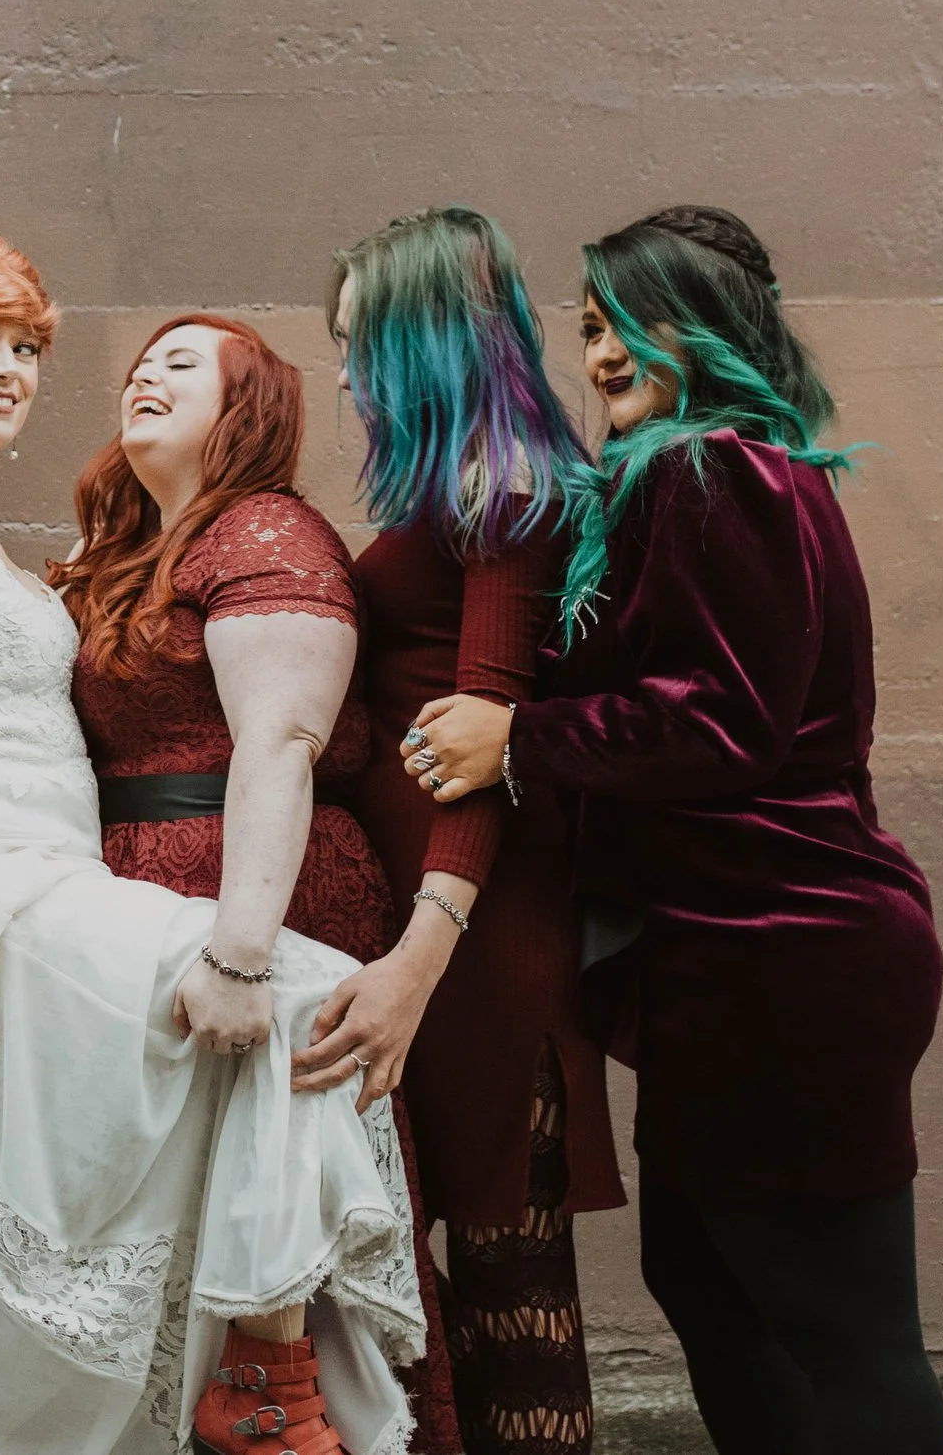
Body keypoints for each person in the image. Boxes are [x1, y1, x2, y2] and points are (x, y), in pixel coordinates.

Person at [0, 232, 425, 1455]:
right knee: (297, 987)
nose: (7, 369)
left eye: (26, 348)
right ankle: (266, 1387)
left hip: (57, 875)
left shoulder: (4, 549)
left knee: (134, 1175)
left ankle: (247, 1377)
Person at [405, 206, 943, 1455]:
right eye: (588, 327)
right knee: (708, 1290)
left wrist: (517, 739)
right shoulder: (688, 476)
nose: (599, 353)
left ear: (709, 329)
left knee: (851, 1333)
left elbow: (724, 719)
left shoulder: (726, 473)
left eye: (629, 322)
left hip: (790, 950)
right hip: (730, 959)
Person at [53, 313, 464, 1452]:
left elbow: (279, 745)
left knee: (279, 1220)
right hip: (142, 902)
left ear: (246, 409)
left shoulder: (267, 530)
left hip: (259, 903)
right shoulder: (140, 544)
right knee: (176, 1218)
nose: (145, 372)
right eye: (140, 361)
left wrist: (241, 953)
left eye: (182, 364)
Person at [315, 207, 626, 1455]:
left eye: (355, 346)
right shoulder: (464, 490)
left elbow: (482, 753)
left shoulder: (507, 491)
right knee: (456, 1301)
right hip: (439, 946)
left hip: (477, 952)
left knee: (515, 1301)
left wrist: (411, 965)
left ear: (418, 345)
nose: (341, 373)